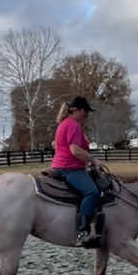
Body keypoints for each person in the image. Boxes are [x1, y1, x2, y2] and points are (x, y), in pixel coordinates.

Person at [51, 95, 106, 247]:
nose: (87, 115)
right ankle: (83, 231)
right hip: (69, 168)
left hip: (65, 165)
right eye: (85, 111)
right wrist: (93, 160)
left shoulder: (66, 124)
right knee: (92, 192)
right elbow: (75, 150)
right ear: (77, 110)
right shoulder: (73, 125)